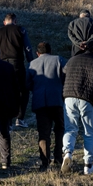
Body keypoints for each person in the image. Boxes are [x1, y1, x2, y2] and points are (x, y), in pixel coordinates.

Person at [61, 39, 93, 175]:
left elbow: (63, 75)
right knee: (89, 132)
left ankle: (67, 153)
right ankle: (88, 166)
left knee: (70, 128)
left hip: (69, 97)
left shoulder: (72, 60)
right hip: (88, 98)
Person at [0, 14, 33, 126]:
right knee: (23, 90)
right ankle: (20, 117)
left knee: (6, 90)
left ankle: (8, 120)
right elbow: (27, 47)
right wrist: (31, 61)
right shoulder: (21, 30)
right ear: (15, 21)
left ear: (4, 22)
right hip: (17, 62)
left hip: (1, 63)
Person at [26, 41, 65, 172]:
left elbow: (27, 84)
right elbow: (66, 74)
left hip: (40, 101)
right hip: (56, 100)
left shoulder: (32, 64)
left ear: (38, 53)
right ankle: (59, 157)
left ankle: (44, 161)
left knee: (44, 133)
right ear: (50, 50)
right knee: (60, 129)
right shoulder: (58, 60)